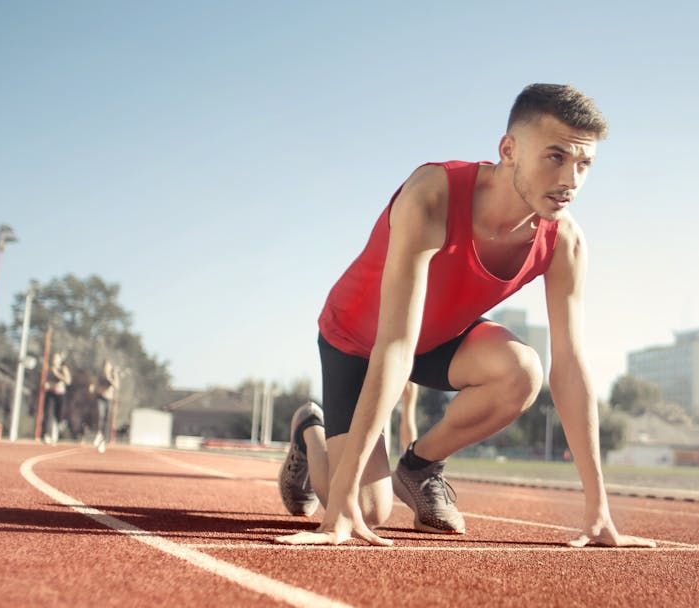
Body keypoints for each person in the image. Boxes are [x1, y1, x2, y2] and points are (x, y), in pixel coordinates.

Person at [277, 83, 653, 548]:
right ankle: (309, 433)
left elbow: (571, 366)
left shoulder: (564, 242)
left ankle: (418, 467)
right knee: (367, 509)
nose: (571, 180)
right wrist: (341, 503)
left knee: (521, 371)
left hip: (437, 341)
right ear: (509, 149)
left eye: (585, 164)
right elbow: (394, 344)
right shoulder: (432, 194)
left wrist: (598, 511)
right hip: (357, 341)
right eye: (555, 157)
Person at [43, 352, 71, 444]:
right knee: (48, 414)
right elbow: (44, 382)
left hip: (60, 395)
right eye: (53, 358)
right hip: (50, 394)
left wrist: (57, 374)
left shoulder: (63, 369)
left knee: (58, 415)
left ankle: (58, 431)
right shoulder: (48, 369)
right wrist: (46, 385)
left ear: (60, 360)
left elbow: (68, 381)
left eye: (56, 358)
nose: (54, 360)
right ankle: (47, 435)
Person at [90, 360, 118, 453]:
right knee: (100, 415)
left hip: (109, 400)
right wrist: (93, 388)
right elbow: (95, 385)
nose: (106, 368)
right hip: (100, 398)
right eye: (105, 366)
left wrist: (110, 379)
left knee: (106, 419)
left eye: (108, 366)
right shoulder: (100, 376)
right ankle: (98, 434)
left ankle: (103, 440)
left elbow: (116, 386)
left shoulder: (113, 375)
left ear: (110, 367)